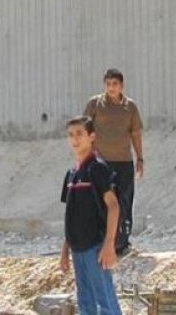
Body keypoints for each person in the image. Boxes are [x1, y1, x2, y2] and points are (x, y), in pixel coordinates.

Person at [58, 116, 122, 315]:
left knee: (105, 302)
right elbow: (71, 215)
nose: (75, 139)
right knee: (85, 303)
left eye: (79, 134)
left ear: (91, 136)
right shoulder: (71, 174)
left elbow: (113, 206)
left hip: (95, 247)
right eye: (70, 135)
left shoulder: (97, 168)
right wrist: (65, 250)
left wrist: (109, 244)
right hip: (77, 249)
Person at [82, 68, 143, 255]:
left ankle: (122, 243)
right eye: (108, 84)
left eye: (114, 84)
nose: (111, 88)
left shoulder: (130, 107)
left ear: (121, 85)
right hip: (101, 163)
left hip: (124, 162)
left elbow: (135, 133)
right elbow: (84, 129)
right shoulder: (95, 104)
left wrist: (140, 158)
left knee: (124, 202)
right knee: (101, 202)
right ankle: (100, 241)